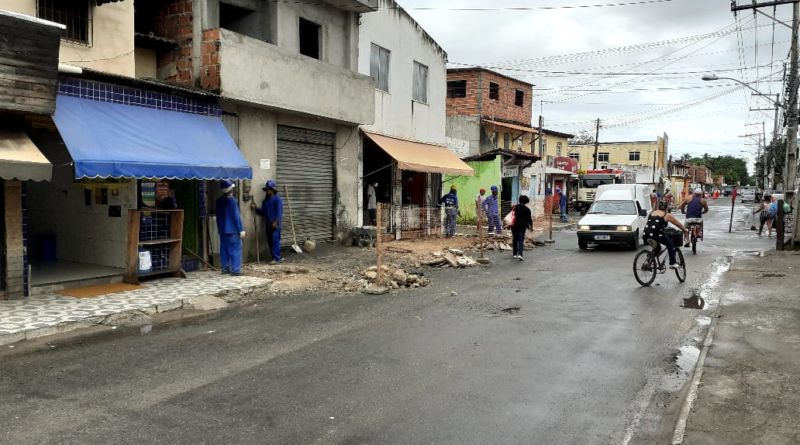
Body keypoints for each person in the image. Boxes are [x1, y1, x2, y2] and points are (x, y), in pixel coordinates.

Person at [644, 200, 688, 269]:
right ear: (666, 207)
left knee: (657, 248)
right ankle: (672, 263)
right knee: (670, 245)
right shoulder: (666, 215)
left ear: (658, 206)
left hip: (646, 234)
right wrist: (685, 230)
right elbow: (678, 224)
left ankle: (648, 261)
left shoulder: (652, 213)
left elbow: (654, 224)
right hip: (657, 235)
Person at [216, 180, 245, 275]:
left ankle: (225, 268)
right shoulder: (232, 200)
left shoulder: (219, 201)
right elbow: (236, 216)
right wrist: (241, 229)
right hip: (232, 230)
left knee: (224, 250)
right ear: (230, 189)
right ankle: (235, 270)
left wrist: (219, 228)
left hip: (222, 230)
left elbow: (218, 217)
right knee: (236, 249)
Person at [253, 179, 284, 264]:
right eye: (266, 189)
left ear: (273, 190)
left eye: (269, 189)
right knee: (270, 241)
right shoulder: (265, 201)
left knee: (275, 240)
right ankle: (276, 257)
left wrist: (276, 221)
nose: (267, 191)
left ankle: (277, 258)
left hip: (275, 224)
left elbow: (279, 212)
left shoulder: (277, 199)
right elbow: (263, 211)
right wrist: (255, 208)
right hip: (268, 224)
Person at [511, 195, 533, 261]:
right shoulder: (527, 210)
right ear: (526, 201)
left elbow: (511, 215)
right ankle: (520, 254)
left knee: (515, 239)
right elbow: (529, 219)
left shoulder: (514, 207)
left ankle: (514, 253)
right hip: (522, 226)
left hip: (514, 225)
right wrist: (531, 226)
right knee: (521, 240)